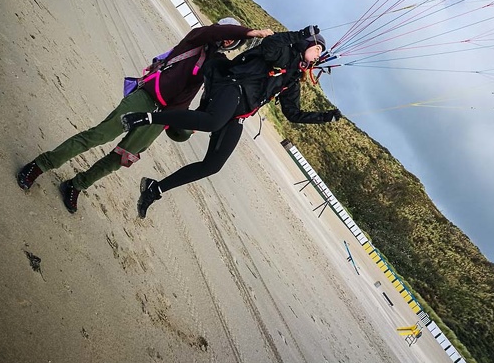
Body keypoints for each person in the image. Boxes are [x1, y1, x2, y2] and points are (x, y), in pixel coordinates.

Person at [16, 18, 274, 213]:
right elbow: (214, 32)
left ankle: (77, 185)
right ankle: (40, 165)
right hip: (147, 96)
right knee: (98, 136)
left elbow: (228, 86)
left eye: (233, 41)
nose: (228, 40)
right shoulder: (196, 38)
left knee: (122, 157)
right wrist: (250, 32)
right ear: (220, 30)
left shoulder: (217, 63)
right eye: (227, 35)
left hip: (165, 116)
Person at [120, 25, 342, 218]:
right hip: (232, 87)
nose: (318, 54)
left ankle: (154, 188)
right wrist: (301, 33)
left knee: (213, 165)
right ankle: (146, 118)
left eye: (321, 51)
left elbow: (293, 113)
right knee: (212, 121)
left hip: (240, 113)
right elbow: (269, 45)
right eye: (317, 48)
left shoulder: (292, 80)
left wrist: (326, 116)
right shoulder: (283, 52)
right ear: (305, 45)